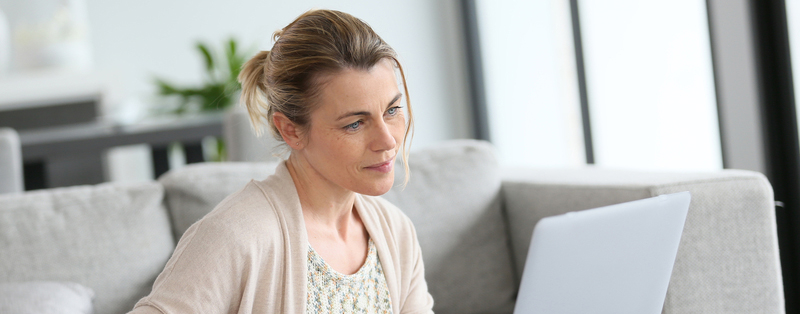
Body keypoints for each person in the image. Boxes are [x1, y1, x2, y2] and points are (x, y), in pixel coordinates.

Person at [129, 9, 434, 314]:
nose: (388, 140)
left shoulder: (396, 233)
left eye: (392, 110)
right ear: (291, 130)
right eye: (355, 123)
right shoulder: (235, 237)